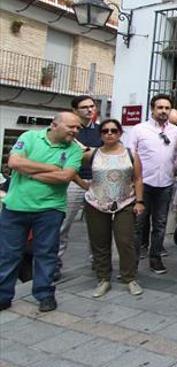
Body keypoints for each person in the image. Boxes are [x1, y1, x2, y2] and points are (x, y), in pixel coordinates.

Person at [0, 112, 83, 312]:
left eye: (78, 127)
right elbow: (14, 163)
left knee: (46, 254)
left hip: (50, 210)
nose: (76, 131)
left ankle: (45, 294)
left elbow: (64, 177)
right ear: (55, 125)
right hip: (15, 207)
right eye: (71, 127)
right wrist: (50, 168)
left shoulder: (75, 150)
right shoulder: (29, 137)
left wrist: (29, 172)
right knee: (8, 254)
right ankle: (3, 295)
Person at [80, 118, 145, 298]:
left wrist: (139, 201)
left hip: (125, 203)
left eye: (113, 131)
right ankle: (103, 279)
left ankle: (129, 278)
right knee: (99, 243)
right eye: (105, 131)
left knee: (125, 242)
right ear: (100, 134)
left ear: (120, 133)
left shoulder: (131, 154)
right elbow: (71, 169)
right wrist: (83, 184)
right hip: (96, 203)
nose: (109, 134)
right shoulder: (92, 154)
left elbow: (138, 178)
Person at [126, 94, 177, 274]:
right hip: (143, 185)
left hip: (165, 184)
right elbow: (130, 154)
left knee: (160, 224)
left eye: (167, 108)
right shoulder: (139, 129)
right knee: (137, 225)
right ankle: (131, 262)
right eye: (160, 107)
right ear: (152, 109)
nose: (163, 111)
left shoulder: (175, 131)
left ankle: (155, 259)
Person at [56, 95, 102, 281]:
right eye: (84, 107)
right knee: (63, 225)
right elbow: (65, 157)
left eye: (92, 106)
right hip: (73, 182)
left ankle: (98, 263)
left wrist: (89, 153)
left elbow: (104, 154)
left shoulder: (101, 130)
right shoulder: (69, 130)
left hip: (98, 182)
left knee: (97, 226)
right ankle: (54, 265)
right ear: (75, 110)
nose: (89, 110)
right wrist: (89, 153)